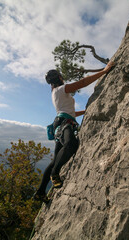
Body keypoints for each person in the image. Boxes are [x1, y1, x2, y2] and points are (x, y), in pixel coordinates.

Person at [33, 61, 115, 202]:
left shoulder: (55, 93)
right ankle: (55, 174)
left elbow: (69, 112)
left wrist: (86, 111)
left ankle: (40, 192)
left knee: (55, 160)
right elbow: (82, 83)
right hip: (64, 123)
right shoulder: (61, 89)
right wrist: (104, 71)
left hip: (61, 122)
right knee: (71, 145)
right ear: (59, 78)